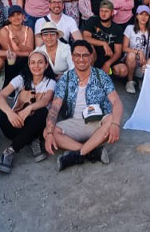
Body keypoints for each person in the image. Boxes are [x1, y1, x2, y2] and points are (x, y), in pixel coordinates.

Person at [43, 40, 124, 171]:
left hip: (98, 122)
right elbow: (54, 108)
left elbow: (116, 101)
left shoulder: (100, 75)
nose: (81, 59)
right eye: (77, 55)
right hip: (74, 123)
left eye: (85, 55)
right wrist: (50, 132)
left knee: (111, 118)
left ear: (91, 57)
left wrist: (115, 124)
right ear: (72, 57)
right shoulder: (66, 79)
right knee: (47, 132)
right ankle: (92, 152)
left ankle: (77, 155)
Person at [0, 49, 57, 173]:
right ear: (28, 65)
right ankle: (32, 139)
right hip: (16, 123)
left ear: (46, 65)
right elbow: (0, 97)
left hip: (35, 124)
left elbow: (45, 100)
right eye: (32, 63)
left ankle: (11, 150)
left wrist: (29, 108)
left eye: (40, 62)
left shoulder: (51, 82)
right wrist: (10, 113)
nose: (36, 66)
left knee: (43, 112)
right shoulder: (21, 78)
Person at [123, 5, 150, 92]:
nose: (143, 17)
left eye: (146, 15)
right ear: (137, 16)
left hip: (145, 62)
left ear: (149, 17)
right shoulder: (130, 28)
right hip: (131, 60)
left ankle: (142, 80)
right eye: (141, 14)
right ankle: (130, 82)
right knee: (131, 55)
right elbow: (124, 48)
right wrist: (138, 52)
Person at [82, 0, 124, 74]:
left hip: (108, 57)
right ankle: (89, 77)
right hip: (94, 55)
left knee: (123, 71)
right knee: (89, 48)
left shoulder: (117, 28)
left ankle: (106, 75)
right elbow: (86, 37)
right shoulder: (93, 20)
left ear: (112, 13)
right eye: (101, 11)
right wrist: (103, 43)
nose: (103, 14)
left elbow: (118, 52)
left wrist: (108, 63)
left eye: (106, 11)